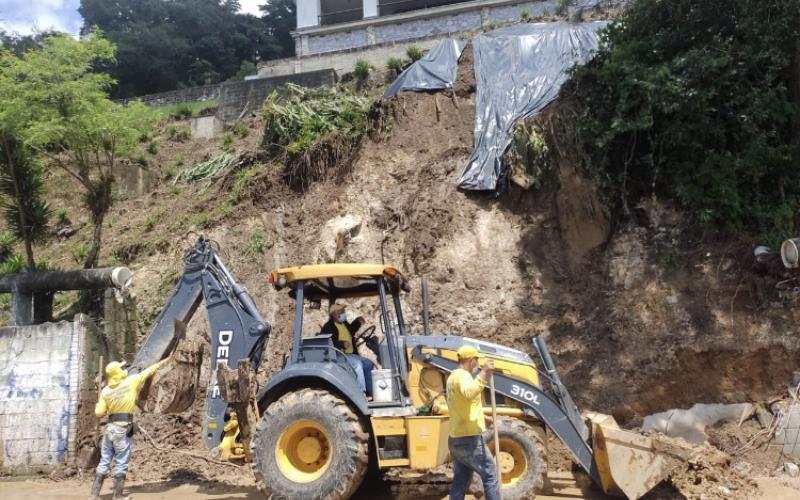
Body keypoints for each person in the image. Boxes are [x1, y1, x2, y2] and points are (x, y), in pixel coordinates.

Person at [89, 357, 171, 500]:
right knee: (121, 462)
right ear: (117, 373)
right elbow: (148, 371)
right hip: (122, 430)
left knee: (104, 461)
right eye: (120, 369)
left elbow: (99, 413)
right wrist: (164, 361)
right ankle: (118, 496)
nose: (123, 370)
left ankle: (94, 495)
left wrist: (98, 404)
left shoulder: (106, 391)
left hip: (109, 430)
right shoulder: (130, 382)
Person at [445, 345, 500, 500]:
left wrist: (483, 417)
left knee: (461, 479)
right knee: (489, 475)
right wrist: (484, 373)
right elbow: (469, 393)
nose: (477, 364)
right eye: (476, 360)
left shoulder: (452, 377)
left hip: (455, 437)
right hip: (469, 438)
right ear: (470, 360)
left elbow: (462, 404)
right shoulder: (463, 375)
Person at [321, 303, 374, 395]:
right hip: (337, 356)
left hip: (350, 355)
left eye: (343, 311)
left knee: (368, 363)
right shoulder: (328, 327)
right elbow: (326, 342)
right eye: (341, 311)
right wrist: (341, 343)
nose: (343, 313)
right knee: (357, 364)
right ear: (334, 314)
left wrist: (357, 322)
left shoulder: (344, 323)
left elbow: (351, 331)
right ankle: (361, 393)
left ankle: (371, 391)